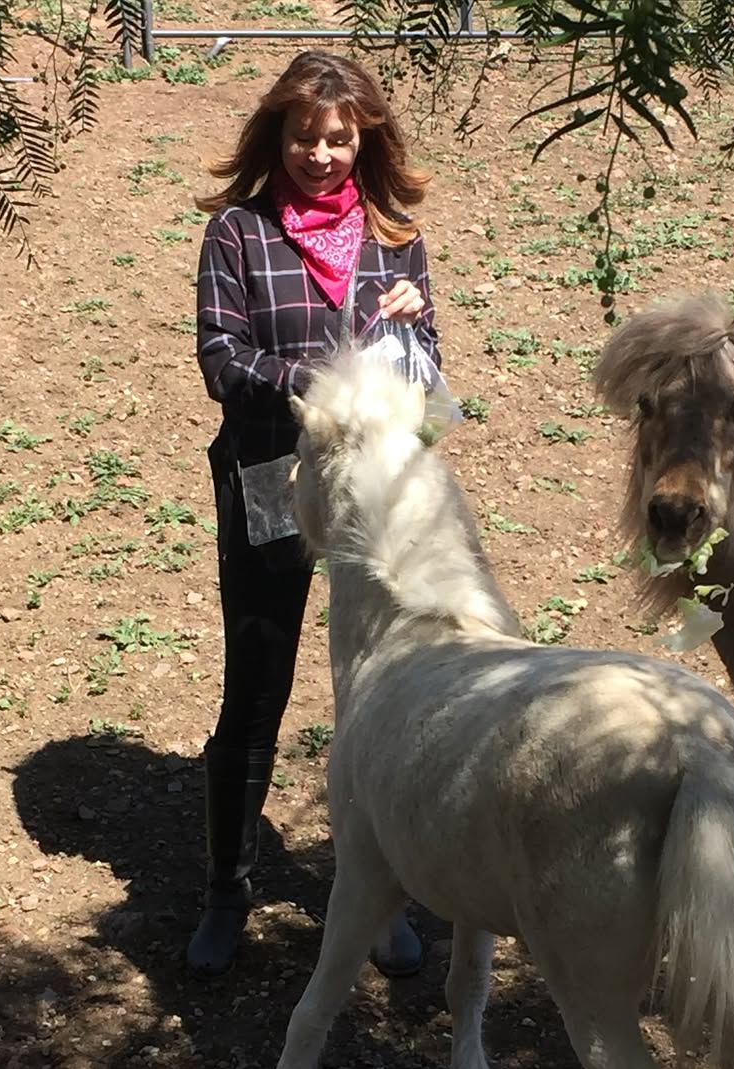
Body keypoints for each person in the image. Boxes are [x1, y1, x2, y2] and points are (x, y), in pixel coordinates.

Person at [189, 49, 440, 979]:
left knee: (375, 694)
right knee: (256, 682)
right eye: (304, 137)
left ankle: (378, 896)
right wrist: (317, 387)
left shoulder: (394, 236)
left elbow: (430, 383)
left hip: (374, 496)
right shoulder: (239, 235)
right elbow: (222, 359)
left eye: (339, 139)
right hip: (268, 484)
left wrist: (413, 326)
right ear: (277, 135)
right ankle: (226, 887)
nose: (322, 155)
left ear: (363, 139)